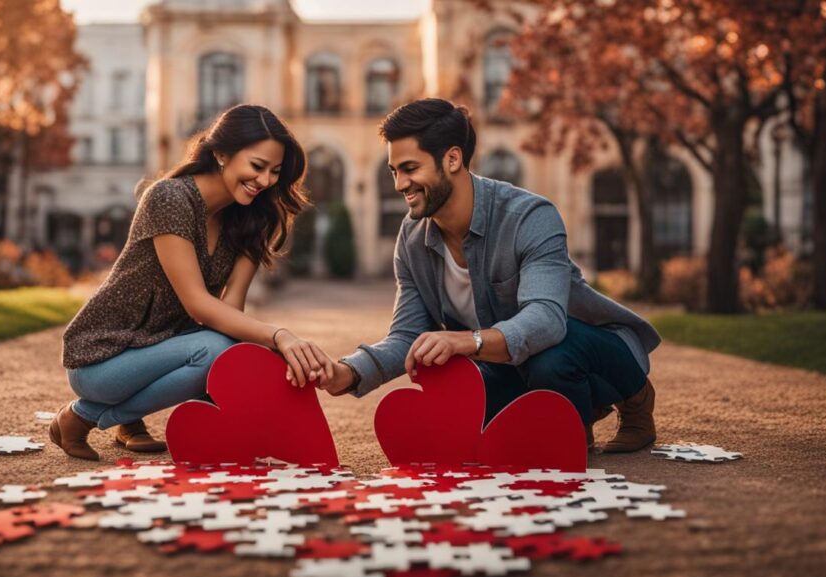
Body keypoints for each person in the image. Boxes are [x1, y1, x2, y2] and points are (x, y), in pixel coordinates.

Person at [318, 98, 661, 452]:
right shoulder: (411, 237)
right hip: (507, 363)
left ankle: (632, 400)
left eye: (409, 168)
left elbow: (546, 320)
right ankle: (574, 417)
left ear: (452, 159)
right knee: (470, 418)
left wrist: (466, 341)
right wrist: (349, 372)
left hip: (584, 349)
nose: (399, 184)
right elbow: (407, 335)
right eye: (394, 171)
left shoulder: (529, 216)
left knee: (552, 360)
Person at [53, 104, 334, 461]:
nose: (264, 181)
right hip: (101, 358)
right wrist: (279, 335)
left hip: (158, 350)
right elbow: (198, 305)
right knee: (215, 350)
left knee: (229, 353)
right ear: (220, 154)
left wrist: (261, 357)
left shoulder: (251, 219)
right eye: (257, 166)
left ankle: (122, 419)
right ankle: (80, 416)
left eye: (275, 172)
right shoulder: (170, 198)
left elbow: (230, 313)